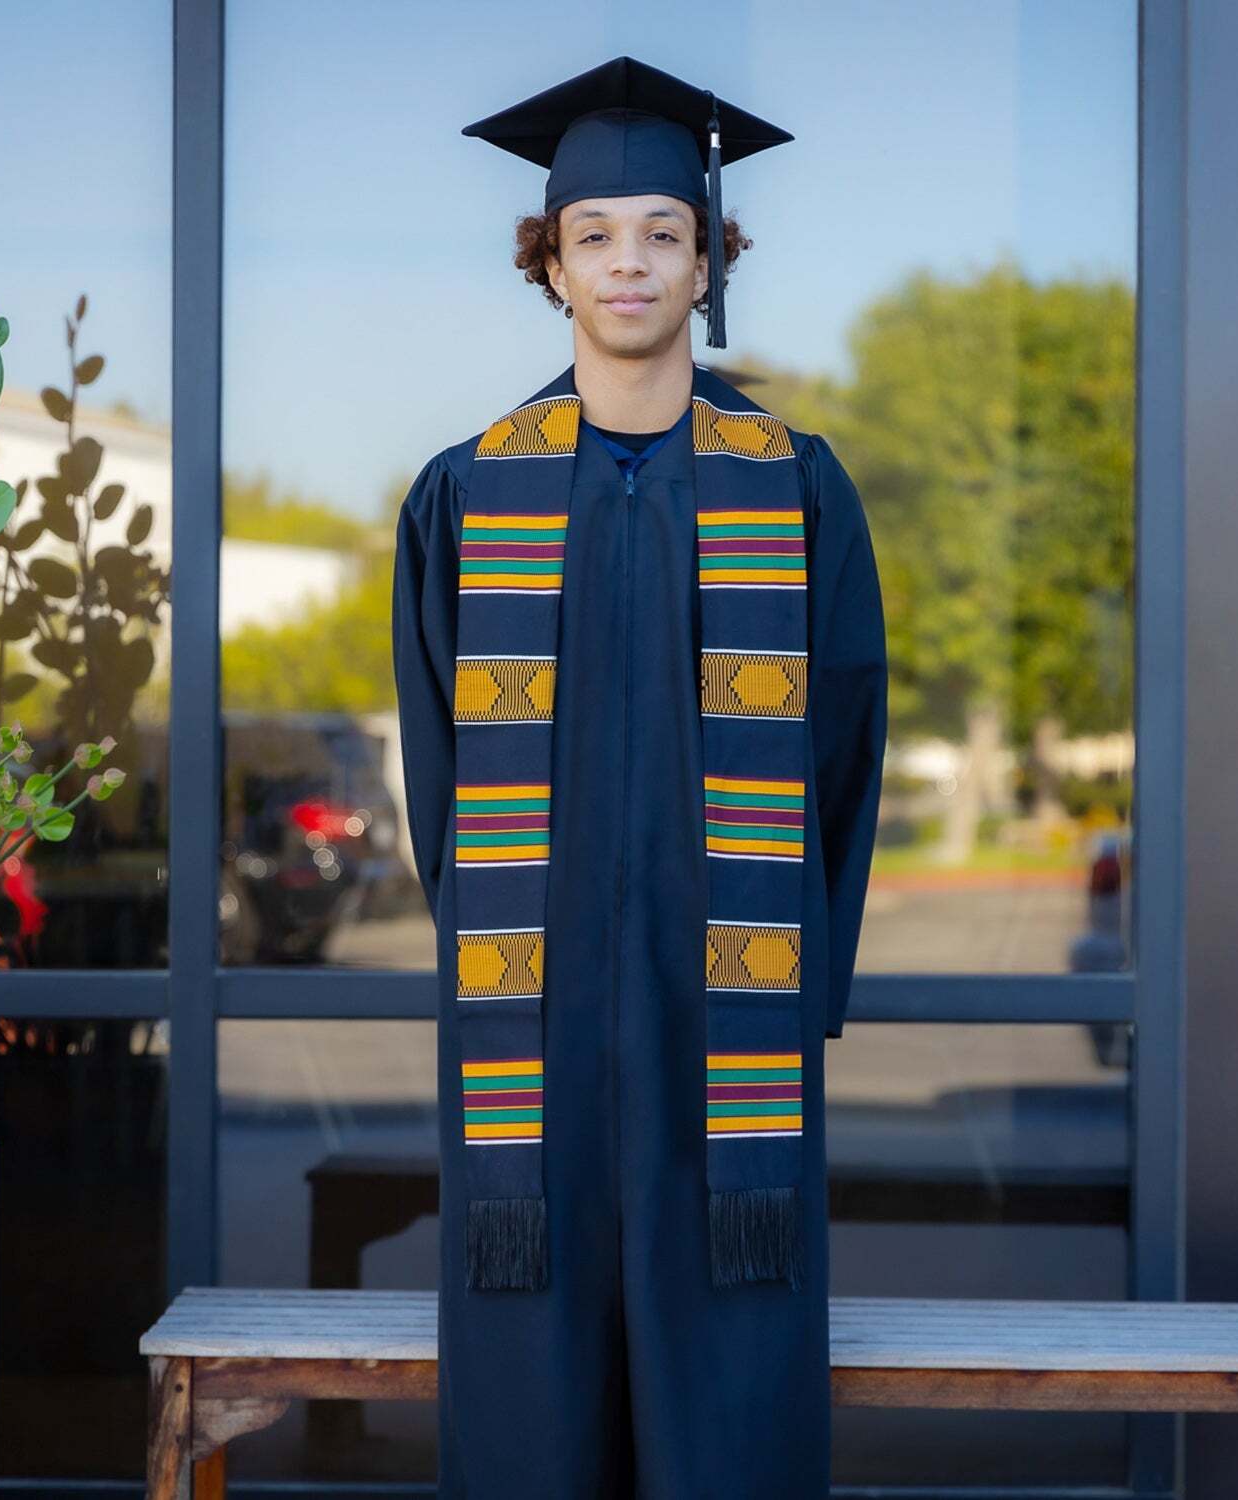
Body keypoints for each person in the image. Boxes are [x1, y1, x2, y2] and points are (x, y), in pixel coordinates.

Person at [391, 54, 887, 1499]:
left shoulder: (793, 484)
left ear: (708, 261)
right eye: (594, 235)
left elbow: (843, 754)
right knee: (532, 1393)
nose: (628, 263)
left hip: (723, 1008)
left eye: (664, 233)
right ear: (548, 264)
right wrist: (497, 962)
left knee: (726, 1391)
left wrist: (799, 976)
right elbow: (440, 777)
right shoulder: (468, 491)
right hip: (532, 1022)